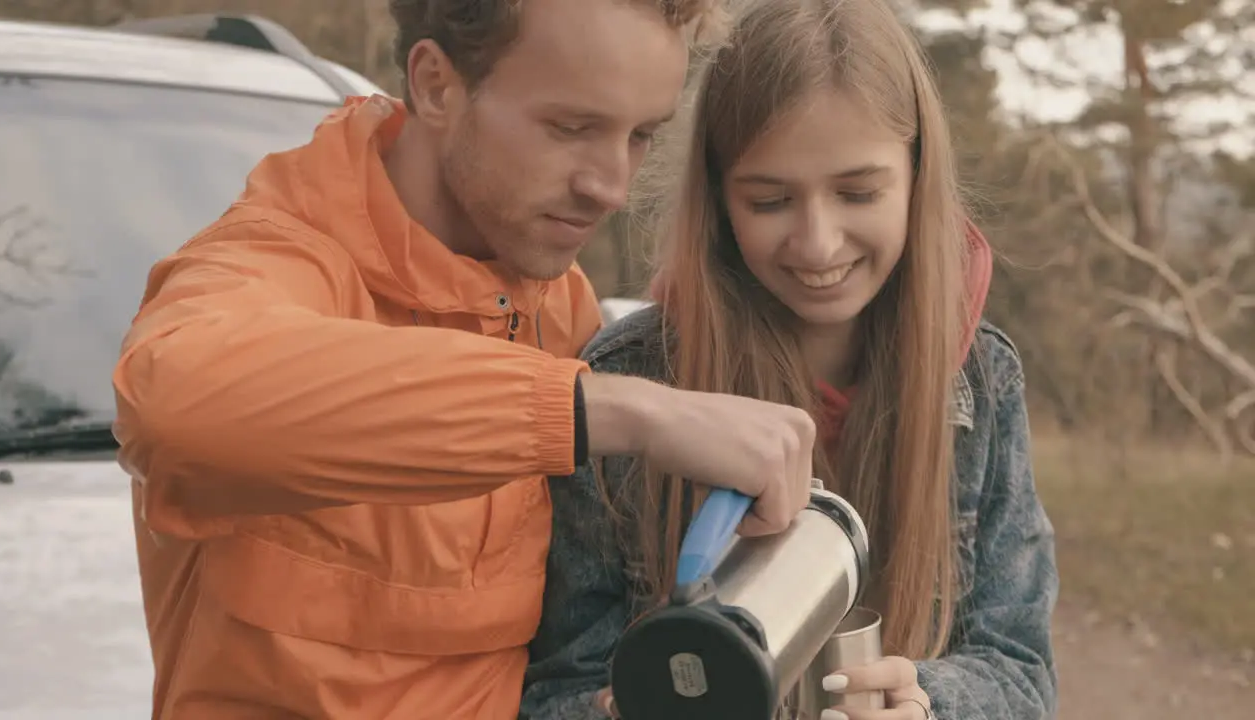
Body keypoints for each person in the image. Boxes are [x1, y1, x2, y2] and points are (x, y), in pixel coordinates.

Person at [109, 1, 823, 718]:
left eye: (640, 136)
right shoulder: (276, 259)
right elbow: (172, 407)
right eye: (571, 128)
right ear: (436, 84)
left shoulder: (559, 300)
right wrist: (618, 409)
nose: (611, 186)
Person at [519, 0, 1060, 718]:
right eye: (770, 200)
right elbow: (555, 688)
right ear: (718, 200)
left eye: (858, 192)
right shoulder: (631, 386)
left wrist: (930, 701)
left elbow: (1020, 671)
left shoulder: (980, 383)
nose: (817, 243)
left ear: (917, 176)